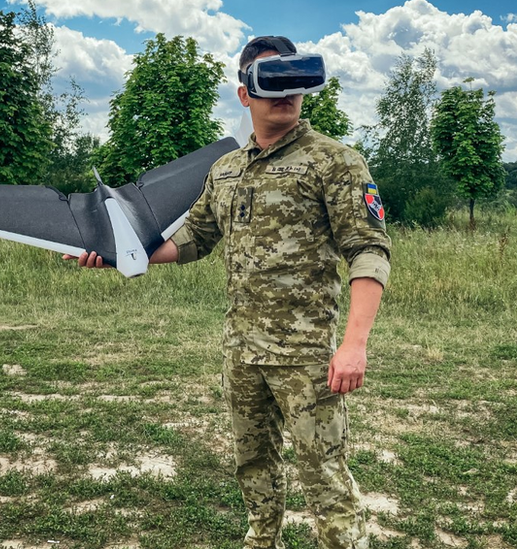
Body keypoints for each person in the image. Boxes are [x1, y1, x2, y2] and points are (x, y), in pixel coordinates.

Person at [70, 35, 390, 549]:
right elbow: (192, 240)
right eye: (270, 81)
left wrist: (354, 345)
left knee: (324, 476)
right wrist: (113, 253)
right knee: (253, 465)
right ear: (245, 94)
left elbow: (369, 250)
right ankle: (262, 541)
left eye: (292, 80)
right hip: (241, 352)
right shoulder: (225, 170)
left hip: (305, 357)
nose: (285, 93)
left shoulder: (335, 162)